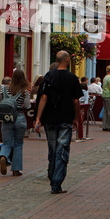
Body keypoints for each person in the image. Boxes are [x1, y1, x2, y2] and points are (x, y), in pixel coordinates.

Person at [35, 51, 83, 194]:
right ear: (67, 60)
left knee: (53, 148)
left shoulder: (49, 76)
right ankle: (56, 183)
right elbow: (76, 101)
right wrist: (76, 117)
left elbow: (43, 98)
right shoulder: (72, 78)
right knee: (62, 150)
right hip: (65, 118)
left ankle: (52, 174)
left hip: (50, 118)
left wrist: (38, 118)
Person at [0, 69, 31, 176]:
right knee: (18, 144)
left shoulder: (4, 90)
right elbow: (28, 106)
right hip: (19, 117)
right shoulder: (24, 91)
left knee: (6, 143)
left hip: (7, 118)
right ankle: (16, 169)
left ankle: (3, 156)